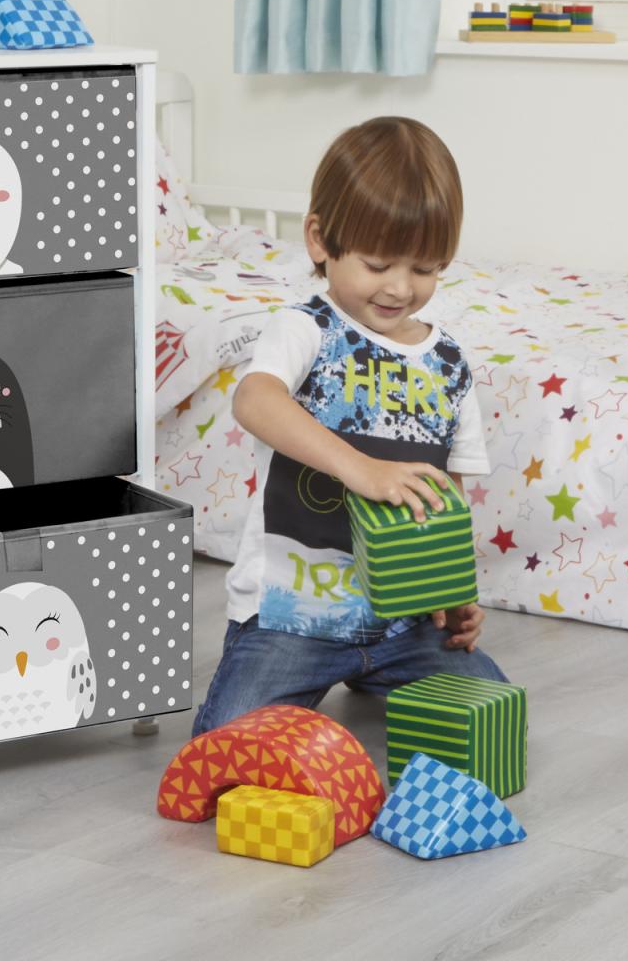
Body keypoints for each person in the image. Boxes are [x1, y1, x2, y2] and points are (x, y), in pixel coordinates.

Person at [193, 116, 508, 735]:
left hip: (403, 625)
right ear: (319, 240)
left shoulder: (448, 363)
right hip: (291, 620)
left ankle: (373, 669)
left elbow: (447, 496)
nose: (400, 288)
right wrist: (362, 470)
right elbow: (255, 400)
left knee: (489, 717)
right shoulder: (305, 328)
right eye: (378, 264)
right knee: (227, 746)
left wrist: (452, 589)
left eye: (426, 269)